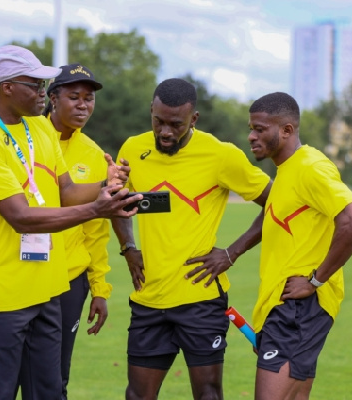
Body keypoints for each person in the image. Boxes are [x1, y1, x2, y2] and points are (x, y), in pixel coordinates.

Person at [0, 45, 141, 400]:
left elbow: (65, 190)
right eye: (34, 85)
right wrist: (97, 210)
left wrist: (105, 190)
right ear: (6, 87)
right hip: (4, 289)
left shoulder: (39, 129)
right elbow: (20, 217)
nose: (41, 94)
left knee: (49, 391)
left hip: (50, 285)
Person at [113, 78, 272, 400]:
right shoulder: (132, 149)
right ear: (151, 112)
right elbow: (117, 200)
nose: (166, 132)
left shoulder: (221, 155)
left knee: (208, 394)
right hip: (149, 298)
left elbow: (279, 203)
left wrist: (232, 253)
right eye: (158, 122)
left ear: (193, 120)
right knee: (137, 396)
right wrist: (129, 247)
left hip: (200, 300)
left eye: (176, 124)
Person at [246, 92, 352, 400]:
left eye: (261, 129)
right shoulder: (286, 171)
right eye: (251, 128)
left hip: (299, 309)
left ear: (286, 130)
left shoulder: (311, 167)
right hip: (285, 309)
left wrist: (316, 280)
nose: (251, 136)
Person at [42, 63, 112, 399]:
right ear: (52, 98)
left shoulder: (95, 155)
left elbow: (96, 231)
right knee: (11, 375)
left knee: (56, 377)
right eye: (74, 97)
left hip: (71, 279)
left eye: (89, 98)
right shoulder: (25, 138)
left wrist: (99, 288)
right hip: (24, 272)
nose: (83, 105)